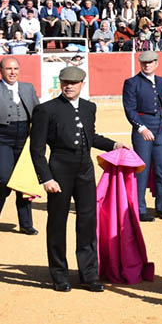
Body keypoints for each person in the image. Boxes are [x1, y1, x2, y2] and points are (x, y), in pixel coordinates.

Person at [30, 65, 126, 292]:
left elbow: (90, 137)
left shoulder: (89, 107)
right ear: (60, 83)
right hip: (59, 171)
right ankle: (59, 275)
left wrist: (114, 145)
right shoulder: (46, 109)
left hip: (85, 171)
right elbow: (36, 149)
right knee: (57, 224)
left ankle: (88, 275)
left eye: (73, 83)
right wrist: (46, 178)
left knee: (87, 223)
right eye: (65, 82)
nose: (69, 86)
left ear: (82, 84)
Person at [121, 51, 162, 221]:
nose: (147, 65)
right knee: (142, 170)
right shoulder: (131, 83)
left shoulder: (161, 81)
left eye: (150, 62)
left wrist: (161, 122)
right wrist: (141, 127)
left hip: (159, 128)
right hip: (143, 128)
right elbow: (130, 109)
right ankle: (140, 209)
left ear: (156, 63)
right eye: (144, 62)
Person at [0, 56, 40, 234]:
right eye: (8, 69)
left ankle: (26, 223)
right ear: (1, 71)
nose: (12, 72)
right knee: (3, 179)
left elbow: (38, 112)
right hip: (2, 138)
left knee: (24, 181)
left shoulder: (27, 88)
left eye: (15, 69)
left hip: (25, 138)